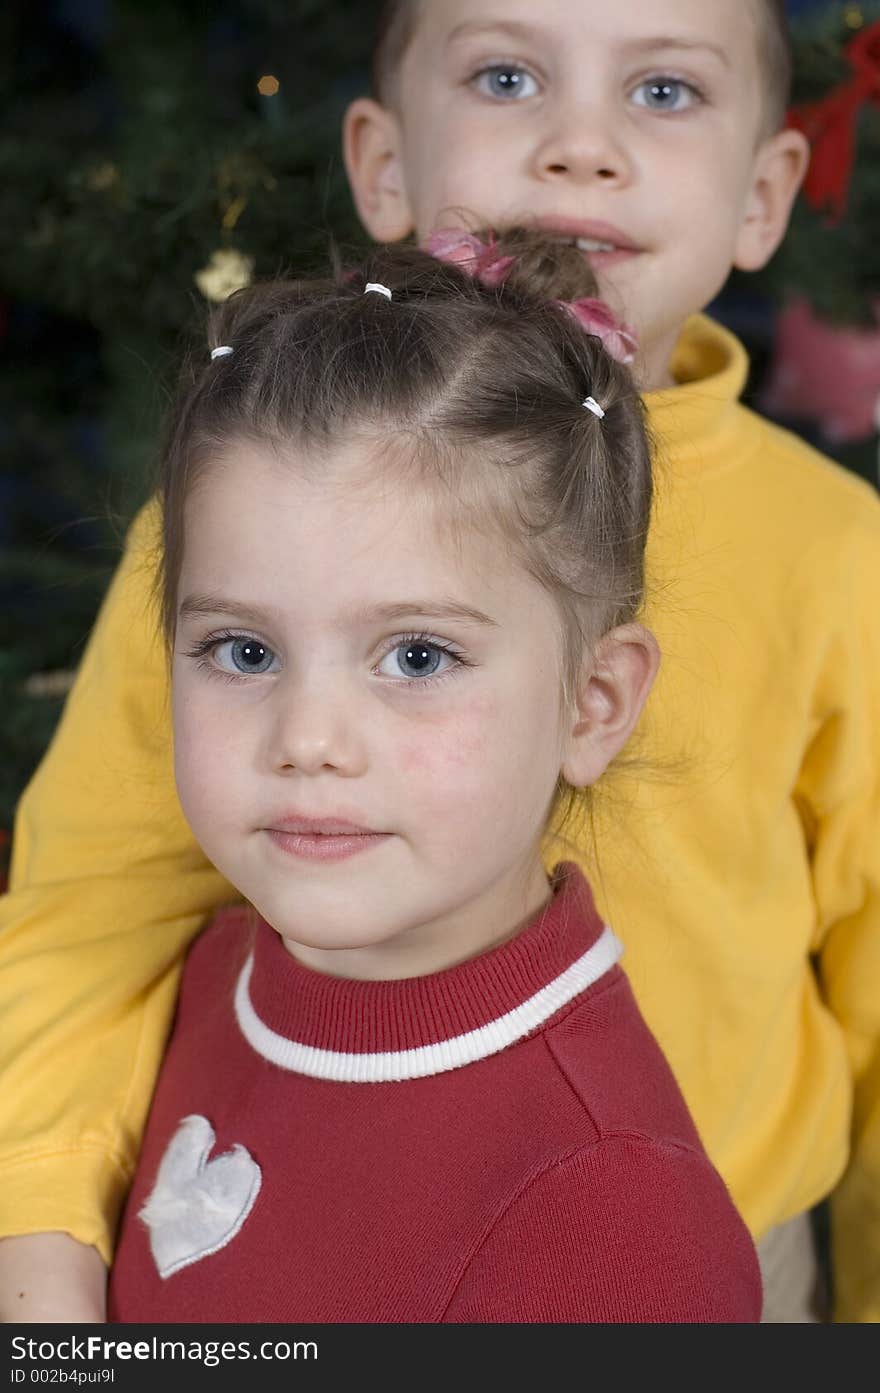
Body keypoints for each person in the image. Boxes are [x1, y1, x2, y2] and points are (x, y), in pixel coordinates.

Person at [1, 0, 878, 1323]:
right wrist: (39, 1224)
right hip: (267, 1217)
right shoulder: (229, 510)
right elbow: (94, 904)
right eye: (507, 73)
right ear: (385, 165)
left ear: (764, 197)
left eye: (663, 93)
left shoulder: (838, 555)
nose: (580, 145)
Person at [102, 231, 761, 1322]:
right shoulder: (208, 967)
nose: (307, 740)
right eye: (243, 651)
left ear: (591, 703)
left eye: (416, 656)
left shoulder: (615, 1220)